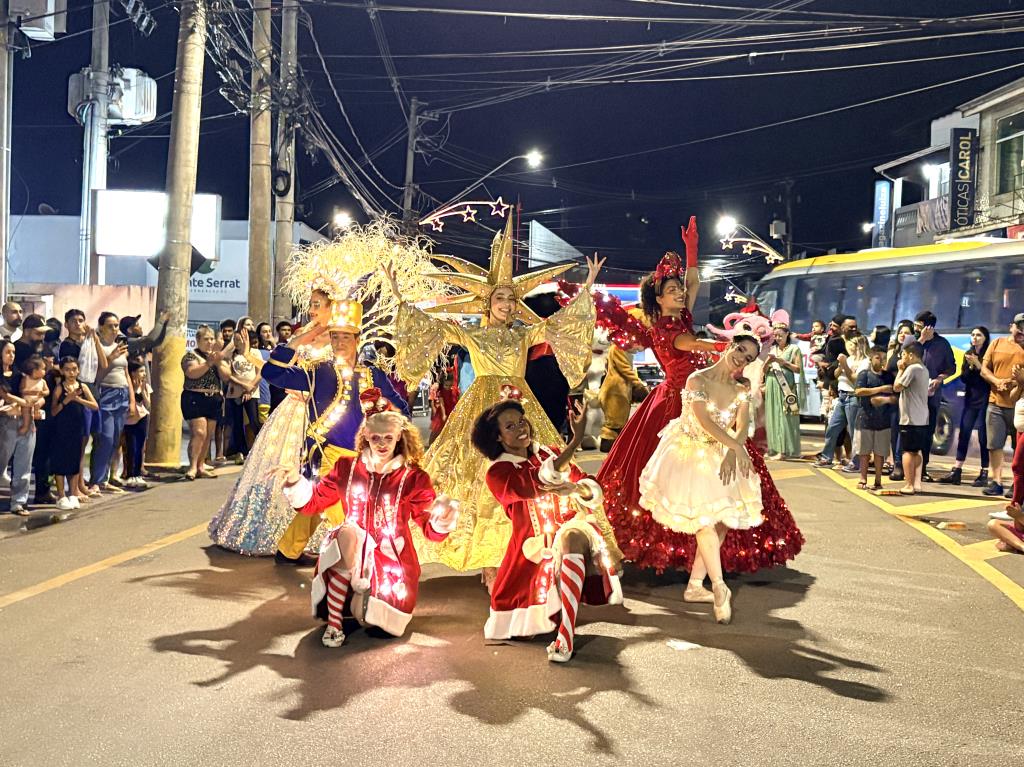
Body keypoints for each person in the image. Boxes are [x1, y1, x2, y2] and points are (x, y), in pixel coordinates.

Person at [385, 216, 598, 582]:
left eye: (513, 299)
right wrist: (400, 298)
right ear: (487, 302)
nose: (508, 304)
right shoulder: (474, 337)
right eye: (501, 298)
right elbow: (432, 327)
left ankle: (510, 552)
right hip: (482, 409)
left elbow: (559, 324)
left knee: (526, 474)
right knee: (476, 478)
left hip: (520, 406)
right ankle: (485, 559)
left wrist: (587, 288)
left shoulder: (523, 335)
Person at [277, 389, 458, 647]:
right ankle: (336, 619)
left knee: (376, 624)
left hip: (391, 561)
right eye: (375, 438)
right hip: (350, 554)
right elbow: (313, 503)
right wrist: (295, 482)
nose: (382, 444)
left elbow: (430, 530)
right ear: (365, 438)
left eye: (388, 437)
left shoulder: (414, 479)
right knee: (348, 532)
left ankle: (364, 607)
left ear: (399, 438)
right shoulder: (346, 468)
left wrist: (443, 518)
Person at [596, 220, 722, 572]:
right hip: (675, 406)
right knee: (675, 477)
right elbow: (693, 344)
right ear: (658, 297)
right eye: (672, 290)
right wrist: (730, 346)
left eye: (679, 289)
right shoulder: (665, 329)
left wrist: (693, 249)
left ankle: (700, 544)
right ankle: (667, 545)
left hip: (697, 398)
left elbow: (695, 281)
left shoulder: (681, 315)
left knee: (703, 476)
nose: (680, 293)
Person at [472, 395, 622, 663]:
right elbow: (536, 482)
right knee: (522, 630)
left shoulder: (550, 453)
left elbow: (587, 482)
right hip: (531, 553)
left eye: (521, 421)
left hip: (569, 532)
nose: (521, 429)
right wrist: (576, 441)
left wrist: (575, 488)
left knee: (572, 534)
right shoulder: (498, 473)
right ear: (497, 437)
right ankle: (550, 615)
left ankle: (565, 636)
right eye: (510, 426)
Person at [261, 300, 410, 565]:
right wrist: (304, 337)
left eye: (346, 337)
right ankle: (356, 561)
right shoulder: (319, 372)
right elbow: (271, 372)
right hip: (328, 453)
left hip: (366, 457)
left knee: (321, 503)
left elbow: (402, 410)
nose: (340, 342)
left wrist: (389, 419)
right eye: (335, 336)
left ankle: (288, 550)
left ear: (357, 339)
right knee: (344, 513)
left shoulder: (373, 374)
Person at [638, 336, 765, 623]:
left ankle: (695, 586)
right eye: (740, 350)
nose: (741, 358)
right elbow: (704, 422)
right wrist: (734, 447)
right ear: (730, 346)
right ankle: (720, 589)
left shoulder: (740, 389)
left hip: (720, 454)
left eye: (748, 357)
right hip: (688, 454)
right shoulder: (698, 380)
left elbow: (743, 424)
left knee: (720, 524)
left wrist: (736, 446)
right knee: (705, 522)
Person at [90, 312, 136, 493]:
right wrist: (111, 357)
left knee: (116, 439)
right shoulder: (98, 346)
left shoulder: (120, 346)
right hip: (106, 393)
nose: (115, 329)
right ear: (101, 327)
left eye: (116, 325)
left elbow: (126, 375)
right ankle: (96, 480)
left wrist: (132, 400)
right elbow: (97, 375)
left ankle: (107, 477)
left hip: (122, 393)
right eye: (110, 325)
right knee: (105, 438)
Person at [940, 326, 991, 486]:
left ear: (985, 338)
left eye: (979, 335)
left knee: (984, 437)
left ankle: (984, 472)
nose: (975, 338)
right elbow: (964, 378)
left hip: (986, 399)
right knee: (964, 432)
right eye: (973, 335)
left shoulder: (989, 355)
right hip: (970, 400)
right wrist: (970, 366)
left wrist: (977, 363)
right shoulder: (968, 353)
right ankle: (957, 470)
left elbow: (988, 377)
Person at [980, 314, 1024, 498]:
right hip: (995, 402)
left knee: (1018, 447)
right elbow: (984, 369)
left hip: (1018, 405)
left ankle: (1017, 485)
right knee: (994, 444)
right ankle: (996, 482)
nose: (1022, 331)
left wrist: (1015, 383)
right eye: (1019, 326)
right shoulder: (997, 343)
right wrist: (996, 381)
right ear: (1011, 326)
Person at [181, 326, 232, 481]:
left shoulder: (217, 358)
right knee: (199, 432)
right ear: (198, 340)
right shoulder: (190, 356)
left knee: (208, 435)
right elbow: (192, 372)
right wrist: (208, 363)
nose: (209, 342)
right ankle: (192, 466)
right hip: (195, 398)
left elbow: (226, 376)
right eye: (206, 339)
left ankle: (201, 466)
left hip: (213, 399)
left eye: (211, 339)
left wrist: (217, 362)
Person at [49, 357, 98, 510]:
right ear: (62, 371)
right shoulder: (59, 387)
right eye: (68, 370)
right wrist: (67, 400)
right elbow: (54, 411)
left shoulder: (82, 387)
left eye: (74, 369)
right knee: (60, 460)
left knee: (75, 460)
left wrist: (77, 399)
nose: (71, 373)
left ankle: (73, 493)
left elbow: (95, 406)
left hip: (78, 427)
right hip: (62, 428)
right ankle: (61, 495)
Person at [913, 311, 956, 480]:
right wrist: (921, 339)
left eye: (919, 325)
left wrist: (939, 379)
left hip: (931, 396)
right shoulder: (913, 341)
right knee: (910, 432)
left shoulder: (942, 344)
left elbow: (951, 367)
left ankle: (922, 469)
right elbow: (905, 358)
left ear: (929, 327)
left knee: (927, 432)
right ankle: (902, 466)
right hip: (912, 396)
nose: (916, 328)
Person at [814, 316, 861, 468]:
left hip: (853, 397)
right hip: (841, 395)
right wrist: (839, 365)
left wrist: (844, 365)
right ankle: (826, 457)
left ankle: (856, 461)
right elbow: (834, 374)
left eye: (854, 344)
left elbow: (855, 379)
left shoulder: (862, 360)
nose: (851, 346)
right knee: (833, 428)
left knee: (854, 432)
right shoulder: (839, 348)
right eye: (850, 327)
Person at [598, 334, 649, 453]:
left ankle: (615, 446)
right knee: (614, 422)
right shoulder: (617, 348)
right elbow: (625, 368)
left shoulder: (620, 349)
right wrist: (638, 383)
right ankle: (609, 445)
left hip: (618, 390)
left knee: (618, 421)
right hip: (615, 391)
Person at [854, 347, 896, 491]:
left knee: (880, 452)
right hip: (865, 418)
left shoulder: (889, 376)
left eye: (884, 358)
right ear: (871, 359)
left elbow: (896, 396)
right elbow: (859, 391)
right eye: (878, 357)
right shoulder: (864, 375)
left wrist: (886, 400)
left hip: (884, 420)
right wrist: (880, 390)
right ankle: (863, 478)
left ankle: (878, 480)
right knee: (864, 452)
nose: (882, 361)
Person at [763, 316, 805, 461]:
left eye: (780, 334)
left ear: (787, 334)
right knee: (773, 417)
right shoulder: (772, 349)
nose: (777, 337)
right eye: (775, 335)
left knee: (785, 417)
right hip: (772, 385)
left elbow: (798, 369)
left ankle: (785, 450)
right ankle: (774, 448)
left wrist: (783, 362)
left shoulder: (794, 349)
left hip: (785, 387)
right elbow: (763, 371)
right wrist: (768, 362)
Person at [894, 341, 930, 495]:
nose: (902, 358)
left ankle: (909, 484)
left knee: (908, 452)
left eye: (903, 355)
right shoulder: (924, 369)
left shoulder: (912, 369)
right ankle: (915, 483)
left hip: (910, 418)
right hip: (922, 417)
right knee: (916, 451)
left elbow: (897, 387)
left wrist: (900, 370)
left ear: (911, 355)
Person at [224, 327, 262, 460]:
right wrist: (242, 385)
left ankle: (260, 448)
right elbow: (228, 374)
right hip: (234, 392)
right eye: (234, 339)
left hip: (251, 392)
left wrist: (250, 388)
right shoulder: (232, 355)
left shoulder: (255, 353)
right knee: (237, 422)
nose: (236, 341)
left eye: (239, 338)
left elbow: (260, 371)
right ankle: (241, 451)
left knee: (254, 420)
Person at [123, 361, 151, 489]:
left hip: (142, 416)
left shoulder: (145, 386)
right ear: (133, 373)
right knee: (131, 447)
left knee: (140, 446)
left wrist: (143, 389)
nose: (144, 374)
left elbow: (148, 404)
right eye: (141, 371)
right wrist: (133, 389)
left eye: (144, 371)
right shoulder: (127, 386)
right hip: (129, 419)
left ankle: (137, 473)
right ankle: (130, 474)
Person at [429, 367, 460, 443]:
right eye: (446, 385)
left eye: (450, 385)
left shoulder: (454, 391)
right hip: (443, 413)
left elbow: (457, 401)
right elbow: (442, 404)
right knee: (437, 430)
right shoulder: (441, 392)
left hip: (452, 411)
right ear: (443, 383)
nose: (448, 387)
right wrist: (443, 414)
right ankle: (431, 444)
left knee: (451, 430)